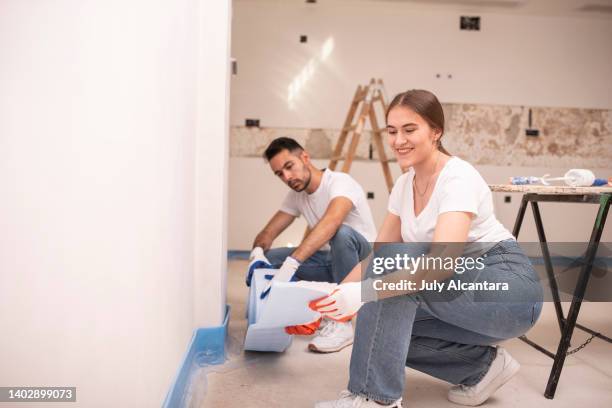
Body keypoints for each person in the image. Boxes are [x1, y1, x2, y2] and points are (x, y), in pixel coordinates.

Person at [301, 90, 544, 407]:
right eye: (392, 131)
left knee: (389, 277)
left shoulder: (458, 177)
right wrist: (335, 293)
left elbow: (440, 265)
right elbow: (378, 256)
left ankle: (375, 399)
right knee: (381, 329)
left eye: (409, 129)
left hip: (508, 289)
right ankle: (482, 367)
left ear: (436, 132)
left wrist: (362, 292)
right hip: (460, 295)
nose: (398, 140)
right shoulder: (404, 185)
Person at [249, 137, 377, 353]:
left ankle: (342, 323)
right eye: (279, 173)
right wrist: (257, 254)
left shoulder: (340, 182)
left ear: (305, 157)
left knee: (341, 233)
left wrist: (292, 263)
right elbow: (268, 233)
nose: (287, 177)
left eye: (289, 166)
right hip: (333, 262)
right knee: (270, 258)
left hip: (365, 265)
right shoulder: (296, 195)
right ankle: (300, 313)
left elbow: (332, 222)